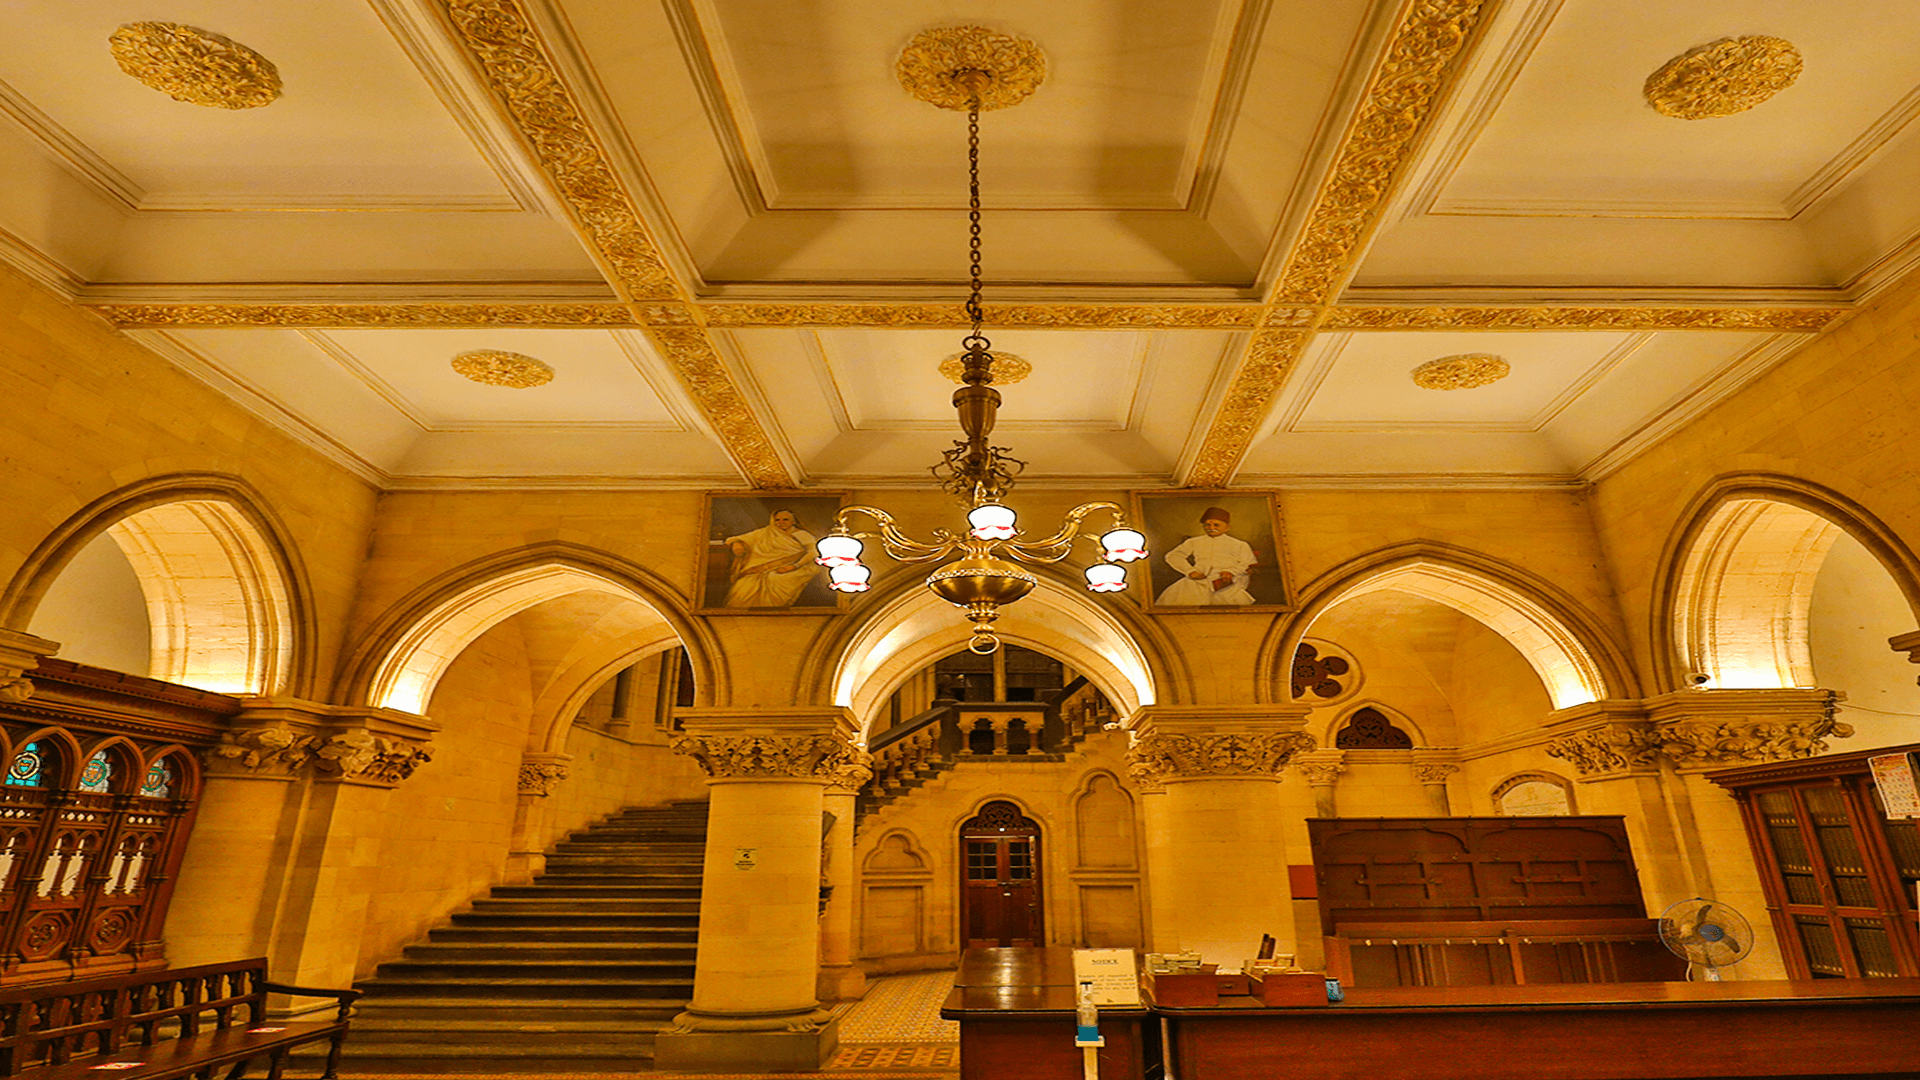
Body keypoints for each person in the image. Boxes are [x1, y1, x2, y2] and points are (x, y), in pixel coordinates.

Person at [1156, 506, 1255, 606]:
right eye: (1207, 525)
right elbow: (1173, 556)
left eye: (1216, 525)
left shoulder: (1240, 545)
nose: (1211, 528)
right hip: (1198, 581)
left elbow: (1248, 563)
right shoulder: (1194, 542)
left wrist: (1232, 572)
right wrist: (1190, 571)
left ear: (1227, 528)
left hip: (1228, 583)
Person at [722, 509, 821, 607]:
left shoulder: (802, 534)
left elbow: (813, 551)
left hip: (798, 566)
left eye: (785, 519)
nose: (781, 523)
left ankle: (773, 612)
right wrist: (737, 543)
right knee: (744, 583)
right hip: (761, 568)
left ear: (793, 521)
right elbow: (738, 538)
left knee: (775, 579)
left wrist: (794, 566)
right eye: (777, 520)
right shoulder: (766, 532)